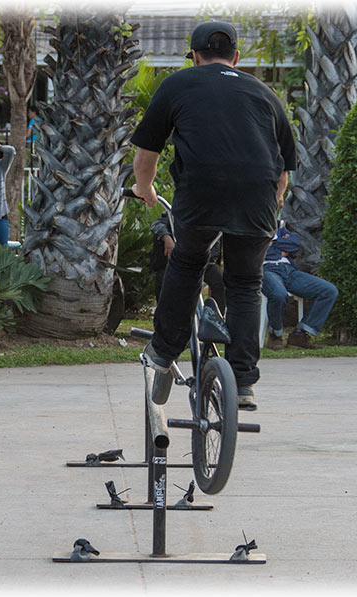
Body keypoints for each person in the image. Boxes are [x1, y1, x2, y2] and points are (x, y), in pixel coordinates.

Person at [131, 21, 296, 411]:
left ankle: (162, 351)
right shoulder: (266, 94)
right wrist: (267, 211)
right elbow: (283, 176)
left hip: (202, 193)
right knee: (244, 282)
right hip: (257, 196)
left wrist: (145, 189)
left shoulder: (178, 85)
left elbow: (145, 157)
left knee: (188, 262)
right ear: (236, 58)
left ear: (194, 57)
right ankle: (242, 381)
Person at [261, 224, 338, 350]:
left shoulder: (282, 228)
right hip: (267, 270)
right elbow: (257, 249)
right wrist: (280, 247)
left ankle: (300, 335)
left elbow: (295, 244)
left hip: (290, 271)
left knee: (329, 291)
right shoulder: (257, 228)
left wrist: (272, 244)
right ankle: (275, 334)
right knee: (279, 294)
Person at [150, 211, 225, 313]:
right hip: (180, 261)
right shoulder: (181, 207)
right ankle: (163, 318)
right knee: (163, 277)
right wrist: (166, 237)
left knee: (219, 279)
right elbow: (157, 224)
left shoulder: (218, 213)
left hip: (206, 263)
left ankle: (215, 318)